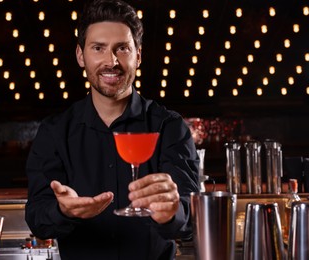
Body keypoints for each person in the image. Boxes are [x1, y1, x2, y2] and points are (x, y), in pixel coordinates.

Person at [25, 0, 199, 259]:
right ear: (80, 56)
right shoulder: (54, 132)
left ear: (138, 56)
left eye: (122, 48)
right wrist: (64, 211)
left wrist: (174, 211)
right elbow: (37, 217)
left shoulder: (169, 126)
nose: (111, 61)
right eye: (98, 48)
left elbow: (190, 219)